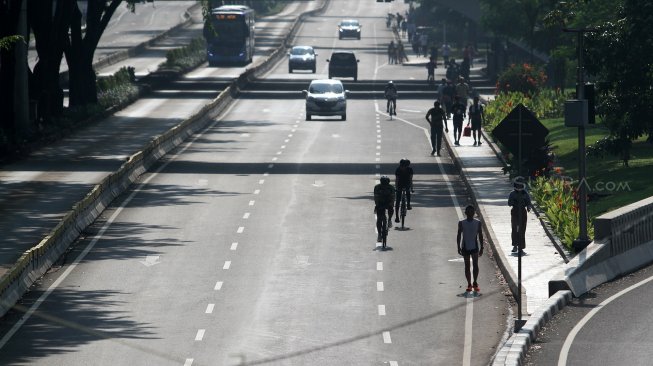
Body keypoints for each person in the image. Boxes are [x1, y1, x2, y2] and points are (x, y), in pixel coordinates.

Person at [456, 205, 484, 292]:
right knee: (467, 266)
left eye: (472, 212)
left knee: (475, 265)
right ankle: (469, 284)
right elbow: (459, 235)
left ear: (474, 213)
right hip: (465, 247)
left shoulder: (478, 223)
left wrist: (482, 247)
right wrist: (458, 247)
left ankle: (475, 282)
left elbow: (480, 235)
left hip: (474, 247)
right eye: (469, 212)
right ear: (466, 213)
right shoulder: (461, 223)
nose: (470, 213)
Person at [508, 180, 533, 254]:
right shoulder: (512, 194)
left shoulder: (525, 193)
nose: (519, 188)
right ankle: (515, 245)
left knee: (522, 229)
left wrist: (528, 207)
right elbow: (509, 203)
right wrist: (514, 202)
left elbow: (529, 203)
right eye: (517, 186)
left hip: (522, 212)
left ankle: (521, 247)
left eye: (520, 186)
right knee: (515, 229)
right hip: (515, 212)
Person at [374, 176, 395, 241]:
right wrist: (377, 205)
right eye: (383, 184)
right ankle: (379, 234)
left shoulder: (391, 187)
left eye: (386, 184)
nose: (384, 186)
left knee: (391, 208)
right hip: (380, 202)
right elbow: (376, 197)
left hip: (388, 202)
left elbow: (393, 197)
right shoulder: (377, 187)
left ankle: (389, 220)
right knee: (379, 219)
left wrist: (391, 203)